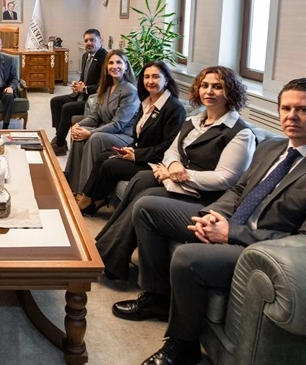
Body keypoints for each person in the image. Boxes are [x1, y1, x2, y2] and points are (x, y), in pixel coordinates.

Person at [115, 78, 306, 365]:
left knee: (187, 257)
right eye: (286, 108)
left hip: (261, 250)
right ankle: (158, 298)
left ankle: (183, 346)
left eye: (303, 110)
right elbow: (238, 190)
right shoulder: (272, 147)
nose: (291, 116)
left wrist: (230, 233)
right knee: (148, 207)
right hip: (230, 222)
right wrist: (214, 215)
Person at [95, 66, 256, 280]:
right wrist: (172, 166)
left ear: (231, 92)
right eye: (205, 86)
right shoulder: (194, 121)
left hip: (204, 196)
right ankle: (105, 249)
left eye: (218, 87)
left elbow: (225, 178)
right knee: (141, 179)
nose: (209, 91)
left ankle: (107, 257)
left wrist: (178, 175)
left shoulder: (240, 133)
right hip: (180, 184)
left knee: (145, 199)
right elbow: (172, 150)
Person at [75, 61, 186, 216]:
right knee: (103, 156)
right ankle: (89, 198)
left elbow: (168, 147)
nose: (150, 81)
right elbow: (140, 136)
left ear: (166, 80)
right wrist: (130, 148)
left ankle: (91, 201)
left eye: (155, 77)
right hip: (140, 152)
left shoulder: (174, 108)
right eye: (147, 77)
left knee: (109, 165)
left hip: (155, 162)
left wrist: (136, 155)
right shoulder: (146, 102)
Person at [64, 49, 140, 194]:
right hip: (106, 130)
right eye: (111, 63)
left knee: (95, 138)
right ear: (106, 67)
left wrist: (90, 133)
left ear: (126, 67)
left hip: (124, 136)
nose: (114, 66)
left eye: (119, 62)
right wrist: (78, 126)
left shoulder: (130, 91)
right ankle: (72, 184)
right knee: (79, 134)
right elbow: (95, 116)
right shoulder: (106, 87)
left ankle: (87, 192)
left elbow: (118, 124)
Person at [50, 29, 107, 155]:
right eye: (86, 40)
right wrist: (78, 84)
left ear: (100, 41)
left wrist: (85, 89)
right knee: (55, 101)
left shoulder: (105, 58)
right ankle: (60, 137)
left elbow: (104, 85)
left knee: (67, 108)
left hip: (94, 100)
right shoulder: (85, 55)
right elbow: (84, 78)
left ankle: (59, 143)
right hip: (81, 95)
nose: (88, 43)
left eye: (92, 40)